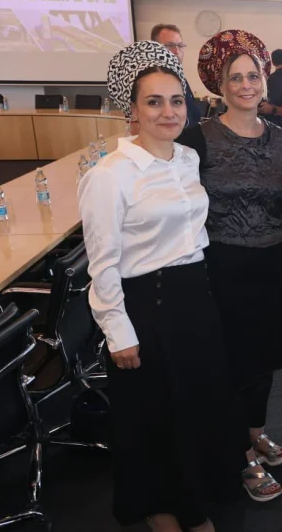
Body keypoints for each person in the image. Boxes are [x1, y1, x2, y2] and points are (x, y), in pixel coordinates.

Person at [81, 41, 249, 532]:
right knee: (157, 418)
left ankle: (192, 502)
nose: (168, 111)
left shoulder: (185, 160)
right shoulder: (110, 176)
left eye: (176, 100)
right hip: (147, 304)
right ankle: (164, 510)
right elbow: (102, 262)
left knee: (197, 410)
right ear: (132, 110)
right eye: (154, 102)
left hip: (194, 296)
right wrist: (118, 331)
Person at [176, 29, 282, 501]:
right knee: (232, 364)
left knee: (263, 360)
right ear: (219, 85)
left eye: (253, 75)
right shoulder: (196, 138)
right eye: (235, 77)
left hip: (273, 265)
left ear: (264, 79)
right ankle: (239, 457)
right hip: (221, 267)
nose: (246, 84)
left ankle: (255, 432)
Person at [151, 23, 201, 128]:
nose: (176, 51)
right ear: (154, 49)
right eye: (170, 46)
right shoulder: (151, 85)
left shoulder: (182, 80)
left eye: (180, 46)